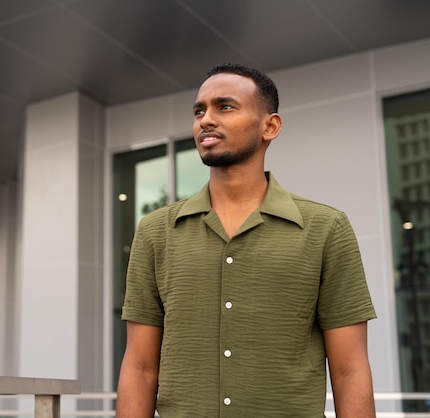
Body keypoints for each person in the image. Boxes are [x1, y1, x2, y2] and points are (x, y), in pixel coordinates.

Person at [115, 62, 377, 417]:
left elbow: (350, 370)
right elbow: (140, 367)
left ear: (270, 126)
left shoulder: (326, 228)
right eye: (199, 111)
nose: (206, 119)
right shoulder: (155, 231)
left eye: (224, 107)